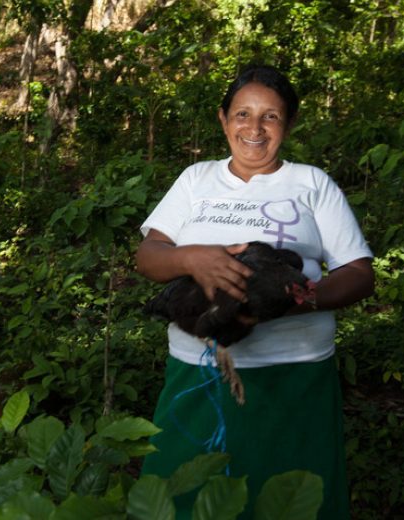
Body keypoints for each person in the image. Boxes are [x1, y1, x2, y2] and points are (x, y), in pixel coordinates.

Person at [135, 64, 374, 519]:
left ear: (289, 124)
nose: (255, 128)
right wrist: (192, 258)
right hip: (199, 369)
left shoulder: (312, 183)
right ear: (223, 118)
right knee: (185, 492)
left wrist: (295, 299)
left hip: (295, 372)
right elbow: (149, 256)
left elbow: (359, 272)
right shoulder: (196, 179)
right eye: (243, 114)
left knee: (291, 496)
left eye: (271, 116)